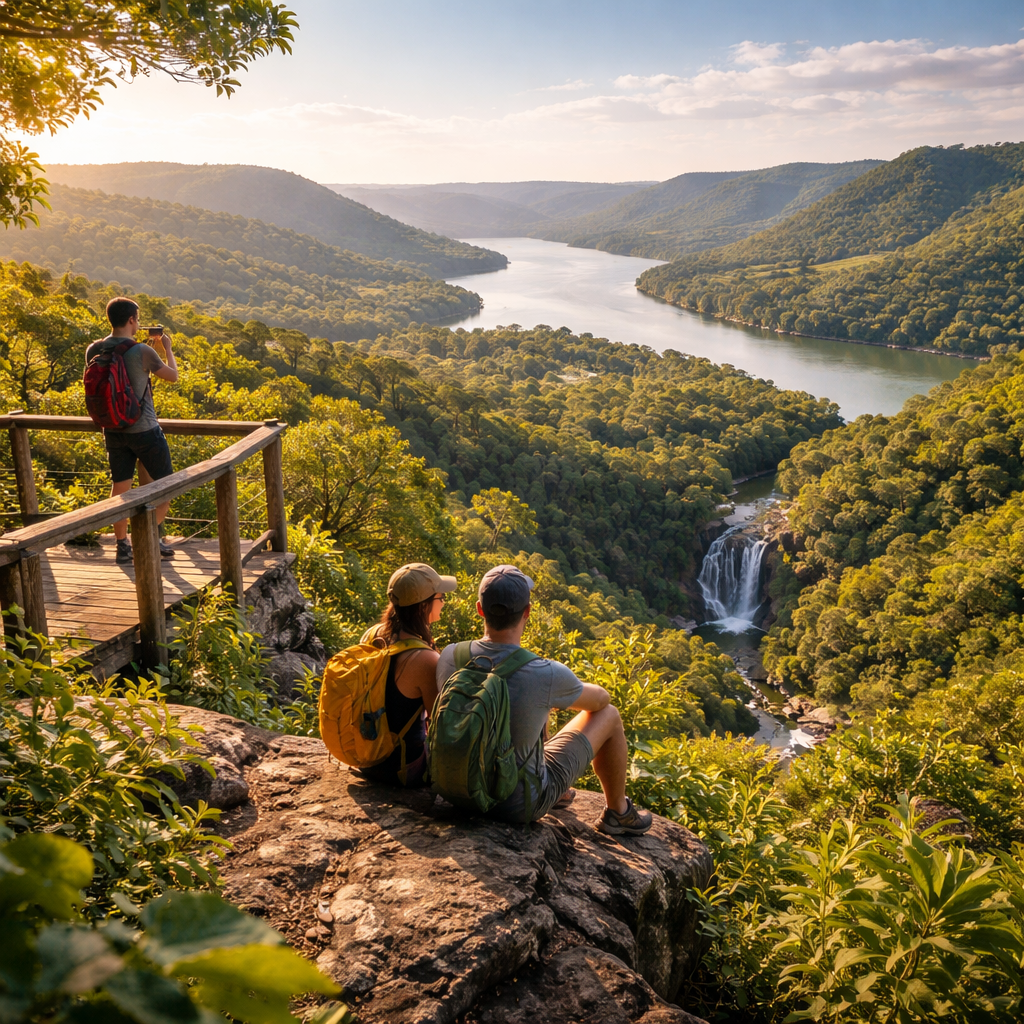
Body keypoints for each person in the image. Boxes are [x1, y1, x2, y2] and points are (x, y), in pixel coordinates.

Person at [435, 564, 653, 835]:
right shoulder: (544, 673)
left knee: (533, 709)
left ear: (480, 609)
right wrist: (553, 692)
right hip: (515, 806)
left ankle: (561, 794)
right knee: (610, 715)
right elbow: (601, 700)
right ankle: (618, 812)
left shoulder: (449, 656)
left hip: (456, 792)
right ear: (527, 612)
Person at [85, 298, 179, 565]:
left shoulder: (94, 349)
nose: (138, 323)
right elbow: (172, 376)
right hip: (145, 430)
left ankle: (122, 545)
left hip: (112, 428)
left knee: (121, 488)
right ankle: (147, 537)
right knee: (167, 487)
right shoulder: (143, 352)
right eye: (137, 319)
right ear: (131, 320)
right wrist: (167, 348)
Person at [356, 562, 457, 787]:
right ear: (423, 606)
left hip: (366, 756)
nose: (443, 603)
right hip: (401, 769)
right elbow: (440, 727)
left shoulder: (373, 635)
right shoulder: (425, 660)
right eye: (441, 598)